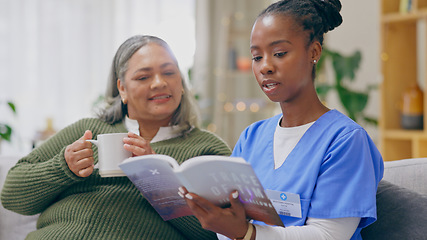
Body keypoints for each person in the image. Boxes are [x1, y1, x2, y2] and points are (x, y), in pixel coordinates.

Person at [180, 1, 384, 239]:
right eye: (257, 57)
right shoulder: (251, 138)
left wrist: (247, 233)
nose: (265, 66)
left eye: (279, 53)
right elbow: (230, 222)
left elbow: (329, 234)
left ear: (314, 52)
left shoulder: (345, 140)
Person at [1, 35, 231, 239]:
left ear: (181, 84)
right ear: (122, 89)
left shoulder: (207, 149)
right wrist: (63, 168)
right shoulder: (88, 130)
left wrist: (156, 178)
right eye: (143, 77)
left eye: (169, 73)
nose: (160, 83)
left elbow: (221, 233)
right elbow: (12, 195)